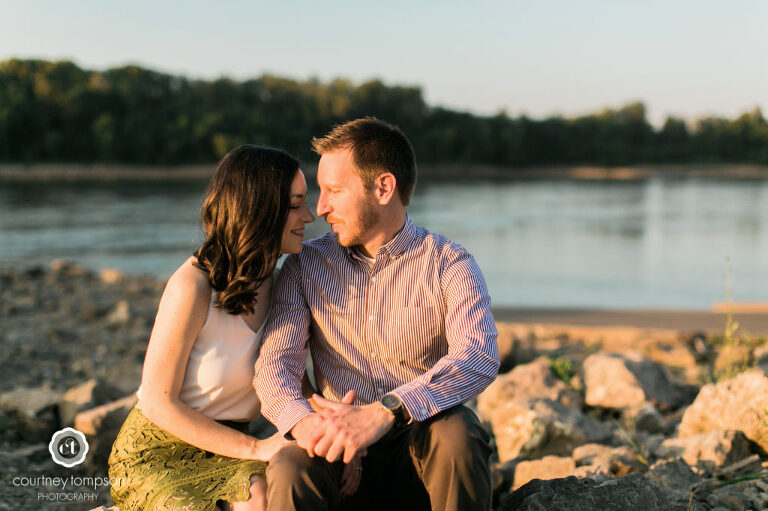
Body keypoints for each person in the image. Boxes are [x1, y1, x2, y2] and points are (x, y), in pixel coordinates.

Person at [255, 117, 500, 511]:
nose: (320, 208)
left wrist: (387, 410)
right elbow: (274, 369)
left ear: (384, 187)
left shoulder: (450, 264)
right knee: (290, 462)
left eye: (333, 190)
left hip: (417, 449)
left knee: (457, 432)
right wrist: (319, 428)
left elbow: (478, 356)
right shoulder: (304, 266)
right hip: (336, 458)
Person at [108, 145, 316, 511]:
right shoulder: (193, 286)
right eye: (296, 205)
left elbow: (291, 373)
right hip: (155, 451)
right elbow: (157, 402)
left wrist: (336, 425)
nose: (310, 216)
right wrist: (258, 448)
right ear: (259, 209)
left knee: (263, 502)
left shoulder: (286, 284)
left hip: (228, 448)